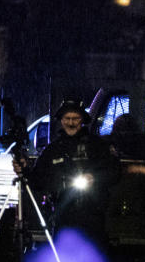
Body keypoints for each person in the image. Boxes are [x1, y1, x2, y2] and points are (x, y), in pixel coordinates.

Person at [13, 100, 120, 250]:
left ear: (82, 120)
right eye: (67, 119)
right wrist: (24, 169)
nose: (71, 123)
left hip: (93, 215)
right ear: (61, 121)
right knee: (64, 260)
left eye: (75, 119)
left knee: (92, 259)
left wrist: (94, 178)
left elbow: (115, 172)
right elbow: (37, 181)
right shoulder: (52, 150)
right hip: (63, 216)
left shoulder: (98, 146)